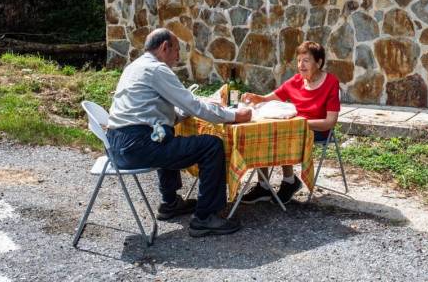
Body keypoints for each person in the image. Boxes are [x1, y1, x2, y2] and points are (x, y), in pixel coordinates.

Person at [106, 28, 252, 237]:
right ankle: (205, 217)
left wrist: (191, 110)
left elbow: (161, 114)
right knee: (211, 145)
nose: (177, 58)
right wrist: (235, 116)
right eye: (176, 51)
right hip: (137, 146)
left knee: (164, 133)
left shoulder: (135, 67)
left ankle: (170, 203)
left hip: (117, 146)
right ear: (165, 47)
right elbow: (194, 106)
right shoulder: (157, 70)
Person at [240, 40, 340, 204]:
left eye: (306, 60)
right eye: (299, 60)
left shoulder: (331, 83)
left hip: (317, 129)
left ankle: (290, 182)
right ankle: (263, 186)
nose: (301, 65)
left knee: (282, 133)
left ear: (319, 62)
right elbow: (267, 98)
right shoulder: (296, 81)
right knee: (260, 131)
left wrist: (301, 124)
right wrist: (255, 98)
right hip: (293, 127)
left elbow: (330, 122)